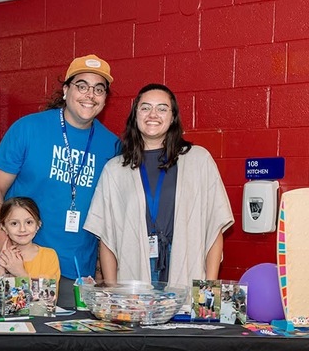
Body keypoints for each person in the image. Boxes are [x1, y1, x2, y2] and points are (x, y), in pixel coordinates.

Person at [0, 54, 120, 307]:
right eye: (82, 86)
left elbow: (108, 216)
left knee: (69, 344)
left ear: (104, 99)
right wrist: (6, 249)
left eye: (98, 89)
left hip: (77, 274)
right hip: (19, 265)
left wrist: (102, 275)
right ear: (66, 90)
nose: (90, 94)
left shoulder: (112, 145)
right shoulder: (27, 129)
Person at [85, 83, 234, 286]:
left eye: (162, 108)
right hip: (134, 267)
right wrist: (113, 290)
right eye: (145, 107)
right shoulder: (115, 169)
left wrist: (209, 286)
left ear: (172, 117)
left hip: (184, 262)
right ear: (135, 115)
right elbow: (106, 235)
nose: (153, 114)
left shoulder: (198, 160)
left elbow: (214, 225)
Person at [0, 197, 61, 283]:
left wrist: (20, 272)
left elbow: (49, 295)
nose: (22, 229)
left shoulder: (49, 256)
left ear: (38, 225)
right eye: (14, 223)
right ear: (4, 227)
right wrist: (0, 269)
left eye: (29, 222)